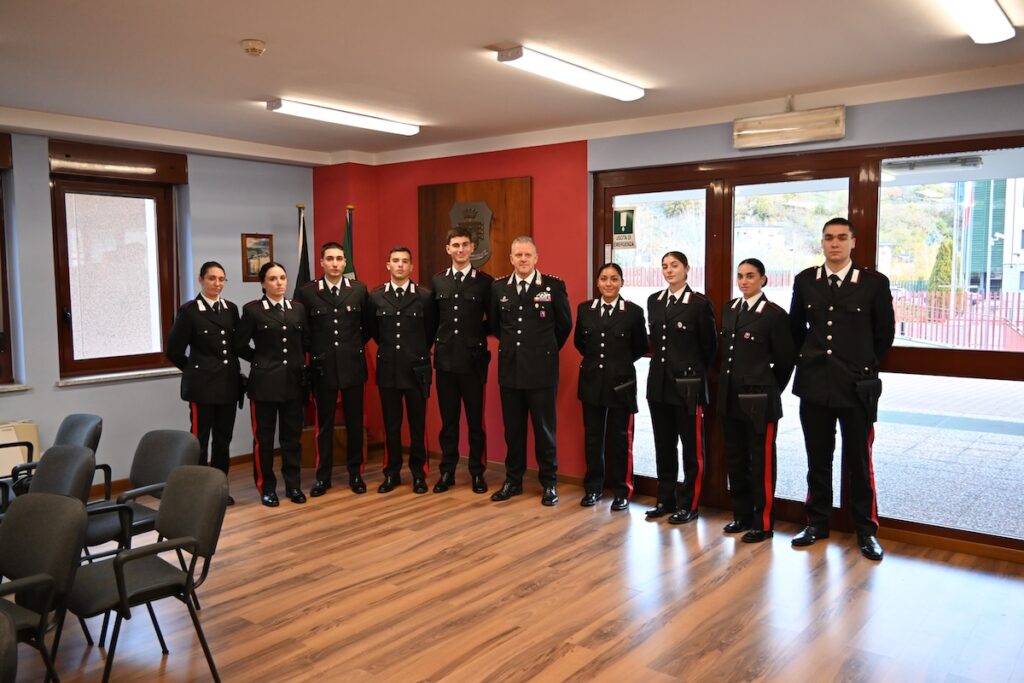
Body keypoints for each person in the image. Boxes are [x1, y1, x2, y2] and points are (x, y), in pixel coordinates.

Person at [789, 217, 895, 560]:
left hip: (855, 386)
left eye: (841, 238)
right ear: (822, 243)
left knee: (859, 461)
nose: (834, 244)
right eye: (828, 238)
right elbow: (795, 329)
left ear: (853, 243)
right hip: (815, 385)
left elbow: (884, 334)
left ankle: (865, 530)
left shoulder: (873, 283)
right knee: (817, 459)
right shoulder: (806, 281)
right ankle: (817, 522)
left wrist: (859, 363)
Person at [489, 236, 572, 506]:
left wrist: (543, 350)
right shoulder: (499, 287)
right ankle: (513, 481)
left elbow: (564, 326)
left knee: (544, 430)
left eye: (528, 255)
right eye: (518, 255)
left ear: (536, 258)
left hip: (542, 371)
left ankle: (549, 483)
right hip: (510, 370)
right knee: (513, 431)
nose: (523, 259)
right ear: (511, 258)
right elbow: (494, 324)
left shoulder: (553, 286)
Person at [718, 258, 795, 543]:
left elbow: (786, 360)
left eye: (750, 276)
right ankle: (741, 515)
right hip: (730, 397)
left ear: (764, 279)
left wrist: (770, 389)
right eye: (740, 276)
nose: (744, 281)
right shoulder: (730, 310)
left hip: (760, 400)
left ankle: (763, 523)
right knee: (735, 459)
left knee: (761, 462)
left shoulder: (773, 314)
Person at [645, 251, 717, 524]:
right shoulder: (655, 300)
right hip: (659, 385)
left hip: (687, 385)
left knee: (691, 449)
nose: (669, 270)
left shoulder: (698, 303)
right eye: (664, 266)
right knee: (663, 445)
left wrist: (694, 375)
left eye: (674, 265)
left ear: (687, 268)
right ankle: (665, 499)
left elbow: (709, 347)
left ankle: (689, 504)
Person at [295, 242, 371, 497]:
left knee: (354, 423)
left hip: (352, 365)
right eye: (330, 259)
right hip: (322, 367)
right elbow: (303, 330)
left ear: (345, 262)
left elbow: (367, 327)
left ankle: (355, 474)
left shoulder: (358, 290)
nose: (336, 263)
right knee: (324, 425)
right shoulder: (307, 292)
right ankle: (322, 477)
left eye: (340, 258)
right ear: (321, 262)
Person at [165, 261, 241, 505]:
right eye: (212, 278)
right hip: (202, 387)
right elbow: (174, 351)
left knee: (223, 440)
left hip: (228, 386)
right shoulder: (189, 311)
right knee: (199, 440)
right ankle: (199, 492)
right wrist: (196, 371)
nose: (217, 284)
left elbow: (234, 347)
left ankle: (218, 489)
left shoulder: (230, 309)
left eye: (221, 279)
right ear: (201, 280)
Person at [234, 261, 310, 507]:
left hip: (293, 383)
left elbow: (304, 342)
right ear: (263, 283)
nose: (279, 283)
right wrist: (261, 360)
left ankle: (293, 485)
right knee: (264, 440)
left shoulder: (298, 309)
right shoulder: (254, 310)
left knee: (291, 439)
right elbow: (239, 345)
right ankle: (266, 488)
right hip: (265, 384)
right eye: (273, 279)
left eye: (282, 278)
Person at [573, 263, 648, 511]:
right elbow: (580, 344)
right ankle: (593, 488)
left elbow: (639, 347)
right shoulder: (585, 310)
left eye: (614, 279)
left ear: (622, 283)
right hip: (592, 381)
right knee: (593, 437)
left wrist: (618, 365)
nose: (608, 283)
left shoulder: (633, 312)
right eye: (604, 278)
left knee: (620, 438)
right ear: (597, 283)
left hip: (621, 384)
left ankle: (621, 490)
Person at [367, 246, 438, 494]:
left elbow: (430, 332)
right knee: (391, 426)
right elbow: (374, 332)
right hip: (388, 369)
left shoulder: (425, 297)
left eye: (405, 261)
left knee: (418, 426)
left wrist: (414, 352)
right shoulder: (376, 297)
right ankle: (392, 473)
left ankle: (419, 474)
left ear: (411, 267)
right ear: (388, 265)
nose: (400, 265)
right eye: (395, 261)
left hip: (416, 368)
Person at [430, 227, 493, 494]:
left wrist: (475, 337)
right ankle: (447, 472)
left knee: (476, 421)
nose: (460, 250)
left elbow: (494, 320)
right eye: (455, 245)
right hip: (445, 361)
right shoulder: (438, 281)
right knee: (449, 421)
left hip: (473, 361)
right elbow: (432, 320)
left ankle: (477, 472)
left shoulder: (484, 282)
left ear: (472, 249)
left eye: (465, 245)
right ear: (448, 248)